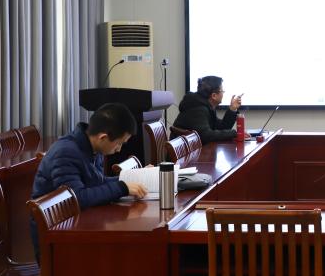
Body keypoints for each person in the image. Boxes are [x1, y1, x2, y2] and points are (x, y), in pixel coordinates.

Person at [29, 102, 147, 259]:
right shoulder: (66, 152)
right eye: (119, 143)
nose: (119, 149)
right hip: (56, 240)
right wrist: (122, 187)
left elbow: (98, 182)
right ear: (103, 137)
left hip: (76, 226)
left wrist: (136, 177)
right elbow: (77, 198)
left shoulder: (91, 147)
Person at [171, 75, 243, 144]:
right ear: (214, 96)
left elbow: (221, 127)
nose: (223, 93)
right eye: (222, 91)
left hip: (193, 149)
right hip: (182, 152)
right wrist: (234, 133)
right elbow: (206, 136)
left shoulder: (205, 105)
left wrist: (232, 108)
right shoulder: (198, 108)